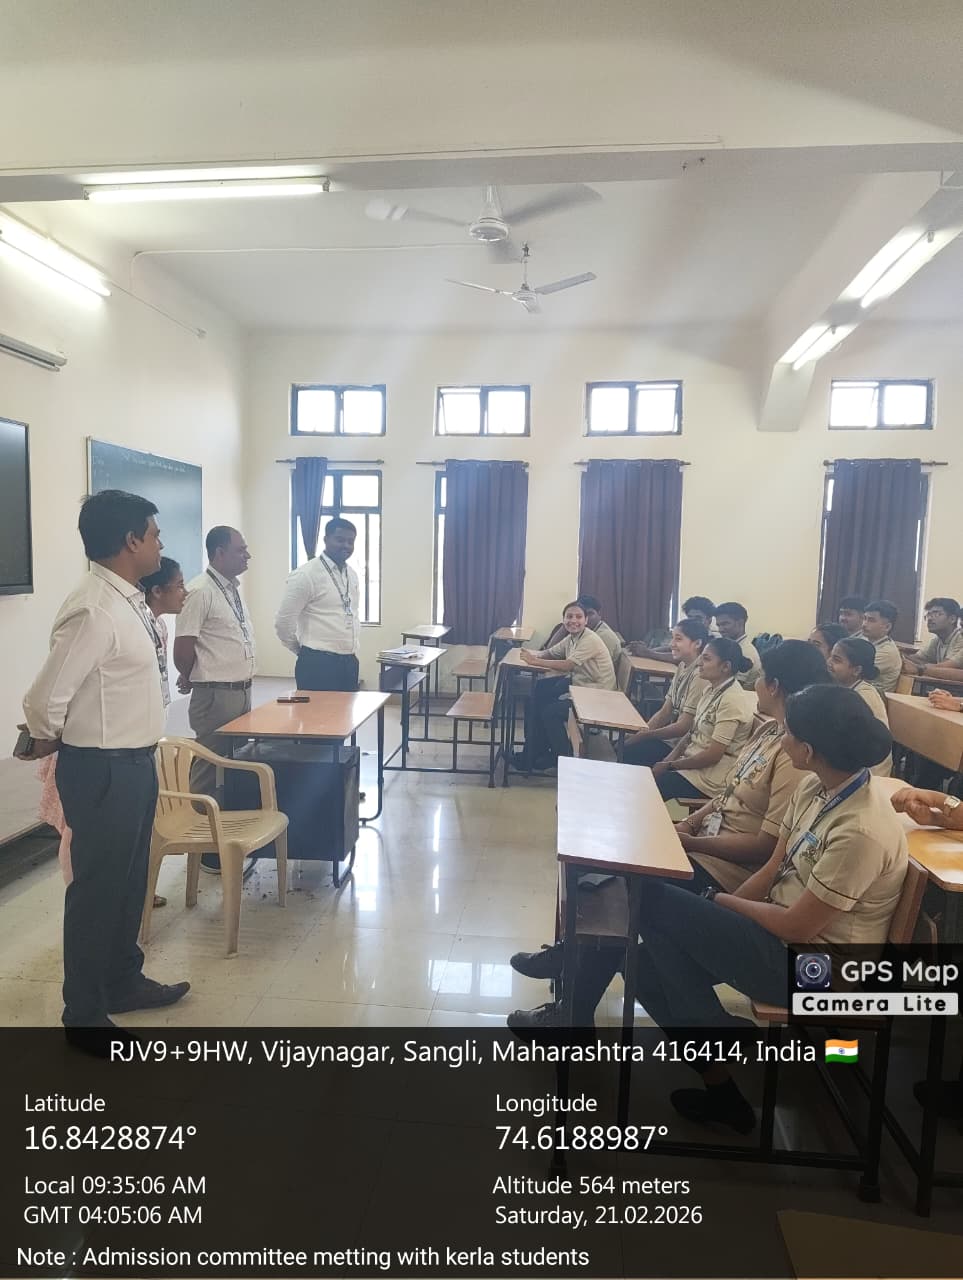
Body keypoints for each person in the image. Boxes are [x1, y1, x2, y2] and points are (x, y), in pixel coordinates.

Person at [509, 684, 907, 1138]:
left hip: (816, 971)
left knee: (647, 898)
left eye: (788, 735)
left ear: (809, 749)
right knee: (641, 963)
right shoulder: (817, 787)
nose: (781, 739)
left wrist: (718, 902)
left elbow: (799, 926)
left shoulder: (861, 830)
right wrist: (727, 910)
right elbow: (772, 868)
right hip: (779, 936)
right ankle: (723, 1089)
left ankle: (700, 1028)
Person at [510, 641, 831, 986]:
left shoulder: (794, 759)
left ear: (775, 686)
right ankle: (570, 964)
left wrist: (692, 843)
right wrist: (689, 823)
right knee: (610, 865)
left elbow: (765, 847)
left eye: (761, 676)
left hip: (728, 869)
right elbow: (727, 792)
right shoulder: (769, 731)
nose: (755, 683)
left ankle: (570, 974)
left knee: (628, 890)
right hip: (707, 840)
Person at [20, 490, 190, 1035]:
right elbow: (44, 700)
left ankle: (123, 981)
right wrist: (55, 739)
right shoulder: (94, 608)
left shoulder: (128, 599)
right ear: (131, 541)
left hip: (135, 762)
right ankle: (84, 1013)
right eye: (155, 533)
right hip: (102, 768)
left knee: (129, 882)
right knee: (97, 891)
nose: (161, 542)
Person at [173, 526, 255, 799]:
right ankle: (198, 818)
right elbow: (183, 647)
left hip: (241, 690)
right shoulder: (200, 591)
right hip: (216, 694)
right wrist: (189, 675)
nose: (247, 555)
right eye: (240, 550)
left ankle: (228, 814)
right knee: (209, 762)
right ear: (219, 553)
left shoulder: (231, 589)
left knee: (237, 759)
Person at [650, 636, 756, 802]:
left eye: (706, 659)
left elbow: (713, 755)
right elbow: (691, 733)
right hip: (692, 764)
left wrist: (671, 765)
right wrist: (667, 760)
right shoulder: (710, 689)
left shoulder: (732, 700)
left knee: (652, 785)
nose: (699, 663)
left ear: (725, 667)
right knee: (647, 765)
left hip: (709, 779)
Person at [514, 601, 616, 771]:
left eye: (578, 617)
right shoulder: (572, 638)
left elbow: (568, 665)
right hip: (580, 687)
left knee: (550, 712)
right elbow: (551, 652)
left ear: (585, 621)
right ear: (563, 620)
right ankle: (533, 752)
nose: (573, 620)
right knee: (538, 693)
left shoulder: (590, 639)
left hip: (596, 696)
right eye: (569, 616)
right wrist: (531, 655)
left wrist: (535, 661)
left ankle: (562, 758)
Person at [274, 517, 361, 691]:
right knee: (316, 710)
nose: (346, 545)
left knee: (347, 710)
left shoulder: (351, 574)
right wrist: (304, 652)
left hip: (349, 662)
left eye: (350, 541)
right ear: (326, 539)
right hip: (318, 665)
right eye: (340, 540)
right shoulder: (306, 575)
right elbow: (283, 623)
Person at [622, 619, 708, 767]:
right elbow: (665, 712)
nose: (672, 644)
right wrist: (640, 733)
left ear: (697, 643)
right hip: (672, 740)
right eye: (672, 638)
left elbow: (684, 726)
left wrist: (645, 736)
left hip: (685, 747)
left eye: (678, 639)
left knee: (630, 751)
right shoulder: (682, 665)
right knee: (623, 743)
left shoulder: (700, 675)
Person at [625, 596, 715, 661]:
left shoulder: (712, 642)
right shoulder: (690, 634)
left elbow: (681, 658)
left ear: (709, 620)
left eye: (698, 618)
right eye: (689, 618)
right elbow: (671, 648)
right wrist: (644, 650)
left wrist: (647, 653)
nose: (693, 622)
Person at [544, 594, 623, 666]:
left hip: (593, 676)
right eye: (581, 615)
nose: (586, 618)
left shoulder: (604, 636)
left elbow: (573, 665)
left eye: (590, 614)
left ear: (599, 614)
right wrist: (567, 624)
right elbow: (551, 652)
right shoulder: (580, 632)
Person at [902, 597, 963, 679]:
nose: (930, 618)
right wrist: (900, 656)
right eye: (929, 615)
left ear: (952, 619)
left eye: (936, 614)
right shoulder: (937, 640)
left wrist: (919, 668)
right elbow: (917, 659)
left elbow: (945, 667)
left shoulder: (960, 638)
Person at [712, 602, 762, 689]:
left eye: (725, 624)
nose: (720, 630)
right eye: (718, 625)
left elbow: (732, 687)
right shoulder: (732, 647)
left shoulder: (745, 652)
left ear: (740, 623)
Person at [861, 600, 902, 694]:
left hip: (873, 697)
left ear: (887, 627)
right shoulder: (865, 640)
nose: (864, 624)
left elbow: (854, 673)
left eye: (871, 620)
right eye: (864, 618)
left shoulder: (887, 652)